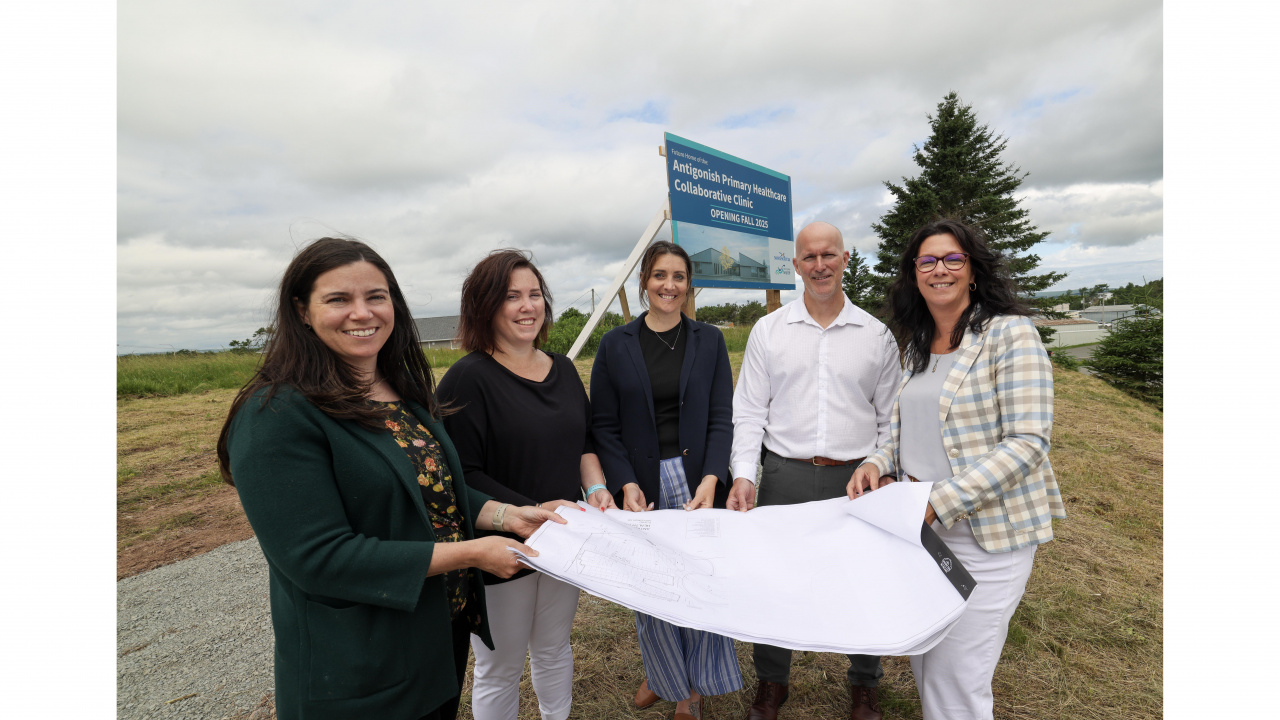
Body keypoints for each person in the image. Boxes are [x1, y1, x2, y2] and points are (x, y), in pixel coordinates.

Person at [217, 237, 565, 720]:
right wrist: (472, 552)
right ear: (301, 310)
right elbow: (317, 557)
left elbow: (434, 487)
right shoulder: (276, 412)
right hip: (360, 660)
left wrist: (507, 516)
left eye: (375, 297)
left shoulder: (400, 391)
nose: (362, 313)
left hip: (435, 640)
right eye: (339, 299)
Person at [846, 218, 1067, 720]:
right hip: (925, 537)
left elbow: (1028, 442)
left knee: (958, 684)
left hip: (988, 537)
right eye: (927, 260)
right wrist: (876, 462)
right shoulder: (917, 347)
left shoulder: (1010, 334)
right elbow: (905, 432)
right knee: (929, 665)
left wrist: (936, 503)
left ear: (972, 271)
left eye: (952, 259)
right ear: (913, 274)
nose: (939, 269)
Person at [728, 221, 901, 720]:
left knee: (862, 580)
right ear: (796, 265)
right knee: (776, 580)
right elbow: (750, 412)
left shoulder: (876, 335)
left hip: (858, 479)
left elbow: (892, 418)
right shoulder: (769, 331)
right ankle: (771, 683)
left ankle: (865, 684)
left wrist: (879, 463)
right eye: (809, 257)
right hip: (786, 473)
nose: (820, 265)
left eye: (829, 255)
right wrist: (744, 474)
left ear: (846, 259)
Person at [435, 249, 615, 720]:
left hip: (562, 538)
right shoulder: (466, 379)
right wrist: (530, 509)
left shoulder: (563, 369)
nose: (526, 306)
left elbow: (585, 444)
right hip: (500, 545)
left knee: (555, 647)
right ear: (485, 305)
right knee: (501, 665)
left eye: (535, 294)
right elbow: (462, 476)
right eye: (511, 296)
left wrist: (596, 490)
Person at [590, 240, 743, 720]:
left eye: (678, 276)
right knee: (653, 585)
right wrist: (624, 482)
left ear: (689, 284)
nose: (669, 285)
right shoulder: (616, 344)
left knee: (698, 580)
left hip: (698, 480)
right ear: (644, 282)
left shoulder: (710, 340)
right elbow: (604, 425)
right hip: (642, 484)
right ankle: (665, 676)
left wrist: (714, 476)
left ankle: (692, 690)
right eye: (660, 275)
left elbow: (722, 417)